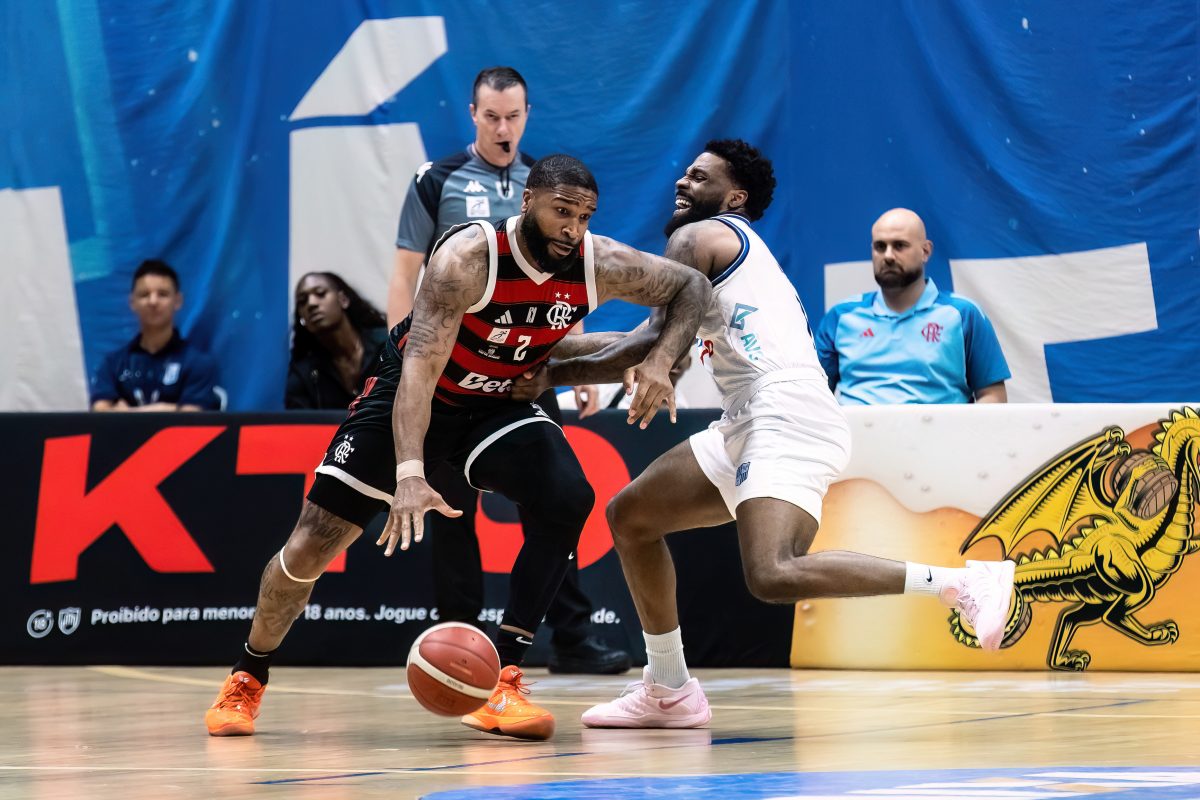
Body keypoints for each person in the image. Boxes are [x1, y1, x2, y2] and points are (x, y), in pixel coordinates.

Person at [204, 154, 711, 741]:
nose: (573, 228)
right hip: (414, 393)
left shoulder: (600, 262)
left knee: (568, 496)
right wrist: (410, 472)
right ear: (527, 202)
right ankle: (247, 676)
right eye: (562, 212)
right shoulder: (467, 260)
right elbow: (418, 372)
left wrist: (659, 360)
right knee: (310, 545)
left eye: (585, 216)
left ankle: (505, 677)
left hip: (496, 402)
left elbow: (692, 287)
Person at [511, 141, 1015, 729]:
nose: (682, 182)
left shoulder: (700, 237)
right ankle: (669, 688)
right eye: (685, 172)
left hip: (784, 411)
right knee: (632, 517)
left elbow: (649, 345)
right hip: (749, 416)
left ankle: (961, 582)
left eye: (700, 177)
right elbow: (642, 343)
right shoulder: (737, 253)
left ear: (734, 197)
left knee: (773, 573)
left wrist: (553, 372)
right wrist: (542, 351)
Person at [388, 66, 626, 675]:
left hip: (528, 373)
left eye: (513, 117)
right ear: (473, 114)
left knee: (555, 499)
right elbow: (407, 275)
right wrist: (401, 362)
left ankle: (571, 636)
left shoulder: (549, 184)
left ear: (527, 115)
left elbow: (570, 281)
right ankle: (459, 642)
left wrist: (578, 366)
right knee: (451, 508)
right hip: (455, 372)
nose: (503, 128)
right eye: (491, 116)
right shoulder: (435, 179)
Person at [814, 208, 1010, 405]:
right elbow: (814, 395)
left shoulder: (963, 314)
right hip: (856, 426)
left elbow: (992, 394)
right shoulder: (840, 317)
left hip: (939, 426)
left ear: (925, 251)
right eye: (880, 247)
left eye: (899, 245)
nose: (888, 256)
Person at [90, 259, 222, 411]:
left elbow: (191, 418)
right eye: (144, 295)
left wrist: (128, 413)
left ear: (178, 301)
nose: (153, 301)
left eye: (163, 294)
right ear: (132, 302)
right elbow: (100, 412)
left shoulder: (198, 364)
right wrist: (169, 409)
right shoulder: (113, 364)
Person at [285, 272, 389, 409]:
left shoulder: (388, 345)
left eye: (320, 293)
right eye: (303, 301)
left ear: (343, 300)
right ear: (302, 318)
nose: (311, 303)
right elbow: (298, 420)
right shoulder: (304, 374)